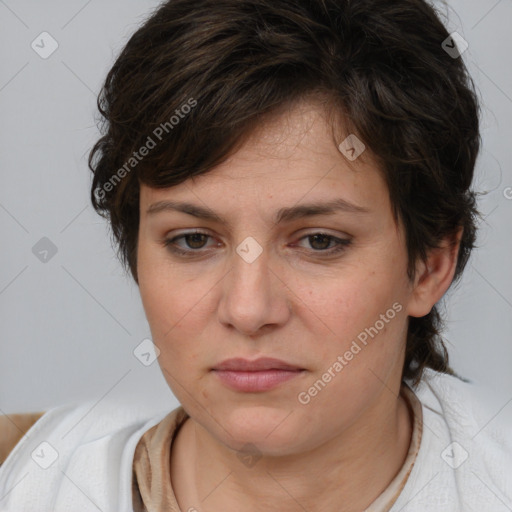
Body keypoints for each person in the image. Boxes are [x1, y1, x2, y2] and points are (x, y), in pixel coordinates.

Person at [1, 0, 511, 511]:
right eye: (193, 240)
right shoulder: (23, 476)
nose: (247, 310)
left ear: (430, 265)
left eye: (319, 241)